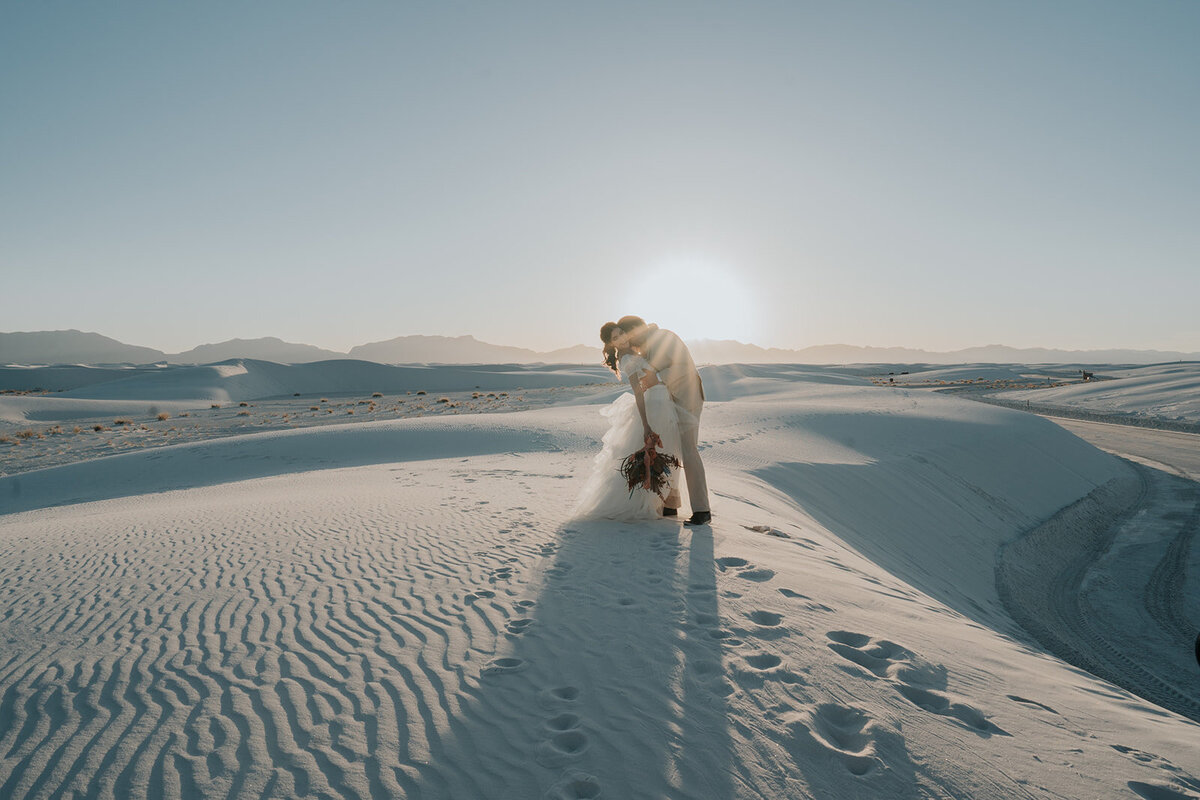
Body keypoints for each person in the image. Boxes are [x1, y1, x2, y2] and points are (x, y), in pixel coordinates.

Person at [571, 322, 685, 521]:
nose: (621, 338)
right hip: (653, 406)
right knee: (660, 451)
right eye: (615, 338)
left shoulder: (634, 351)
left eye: (621, 333)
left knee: (670, 450)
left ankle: (667, 503)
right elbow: (637, 392)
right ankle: (659, 503)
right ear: (610, 344)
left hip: (663, 401)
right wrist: (645, 424)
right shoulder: (626, 358)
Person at [615, 316, 711, 526]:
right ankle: (671, 502)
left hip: (687, 398)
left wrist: (657, 378)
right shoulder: (648, 344)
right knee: (671, 449)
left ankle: (702, 510)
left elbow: (683, 367)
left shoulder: (664, 337)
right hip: (669, 402)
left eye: (627, 335)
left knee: (688, 450)